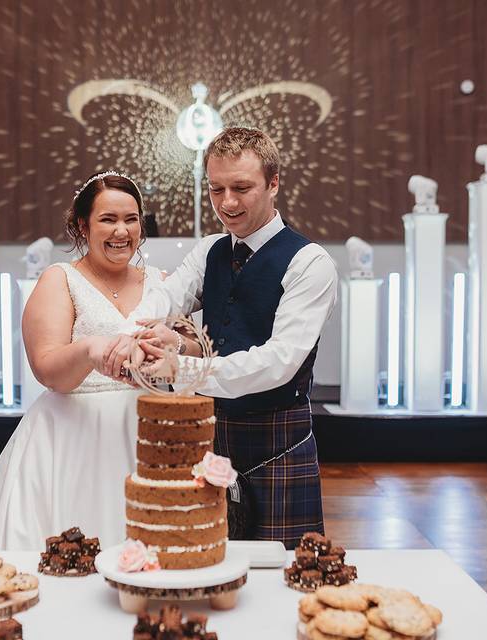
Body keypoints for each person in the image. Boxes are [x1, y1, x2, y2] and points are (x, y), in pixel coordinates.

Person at [105, 127, 338, 548]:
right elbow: (165, 298)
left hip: (278, 443)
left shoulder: (310, 263)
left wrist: (184, 368)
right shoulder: (210, 250)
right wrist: (128, 334)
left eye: (241, 188)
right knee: (209, 564)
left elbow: (279, 361)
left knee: (280, 577)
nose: (227, 203)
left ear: (274, 183)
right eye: (216, 189)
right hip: (213, 441)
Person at [0, 171, 163, 551]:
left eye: (131, 219)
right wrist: (89, 350)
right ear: (83, 225)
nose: (122, 231)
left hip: (147, 431)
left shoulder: (161, 282)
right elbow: (47, 368)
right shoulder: (60, 279)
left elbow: (181, 351)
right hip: (73, 435)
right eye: (108, 219)